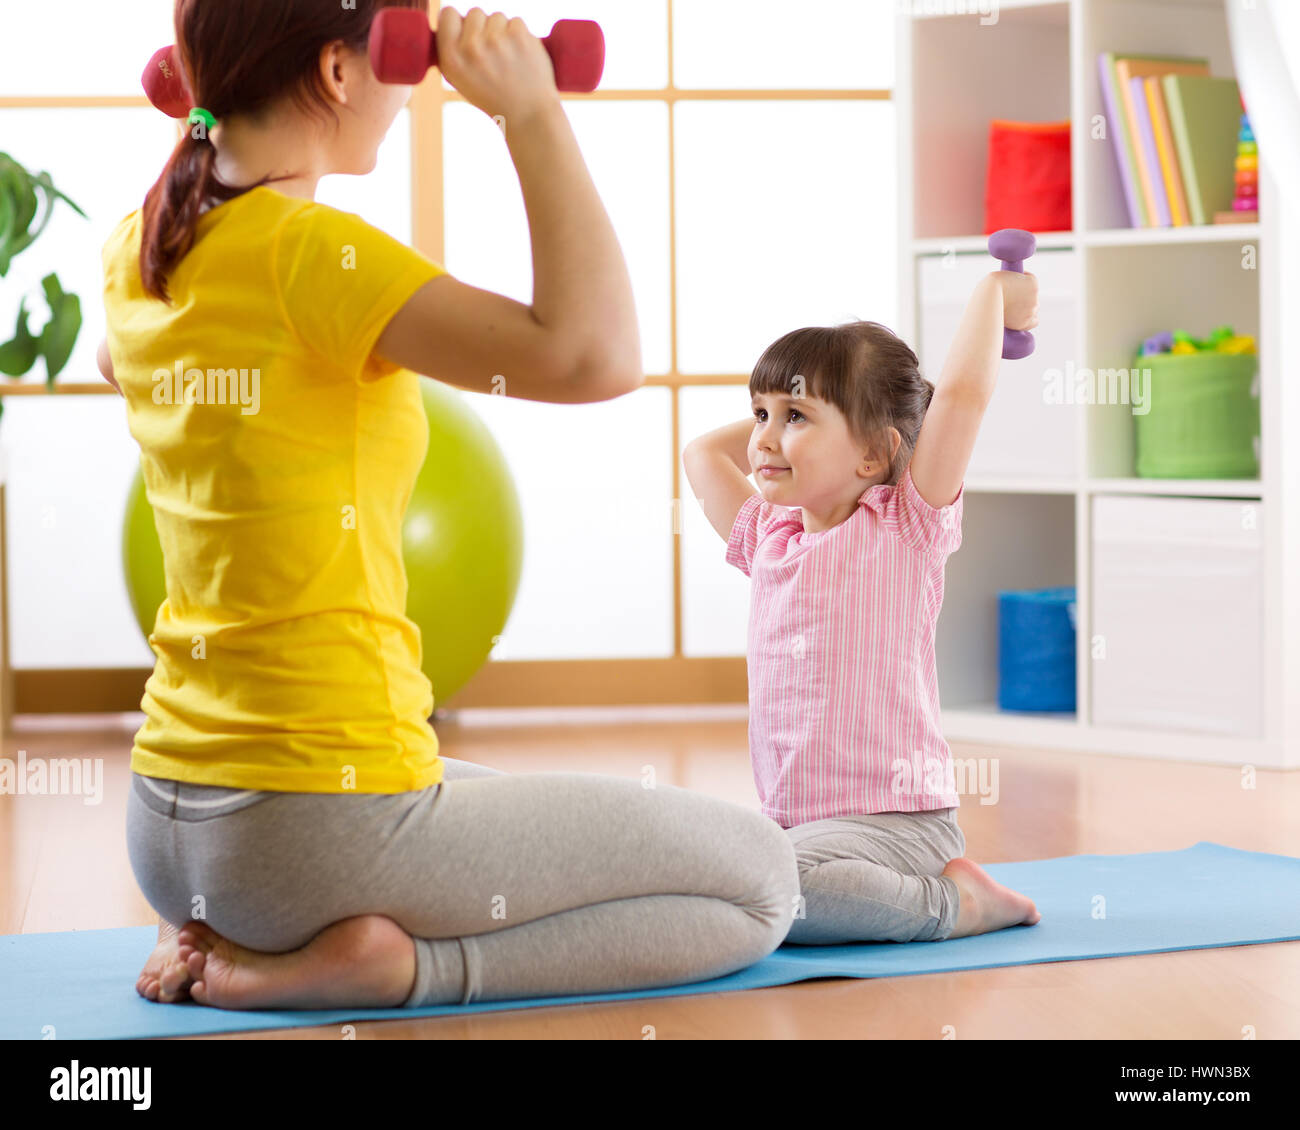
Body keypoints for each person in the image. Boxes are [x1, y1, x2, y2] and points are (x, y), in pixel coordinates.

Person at [104, 1, 798, 1011]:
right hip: (307, 828)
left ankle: (275, 927)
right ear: (341, 74)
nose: (411, 85)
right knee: (760, 880)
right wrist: (528, 111)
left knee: (556, 823)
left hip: (174, 826)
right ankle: (400, 969)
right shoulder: (316, 256)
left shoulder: (139, 249)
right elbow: (594, 357)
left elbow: (128, 351)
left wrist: (208, 112)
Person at [683, 291, 1046, 945]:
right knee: (718, 876)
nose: (763, 437)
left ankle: (956, 903)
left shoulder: (906, 528)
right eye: (759, 413)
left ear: (873, 455)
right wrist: (791, 406)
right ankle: (795, 881)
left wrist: (995, 294)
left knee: (778, 892)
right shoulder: (769, 536)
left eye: (795, 417)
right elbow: (702, 454)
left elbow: (960, 398)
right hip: (795, 826)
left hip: (899, 823)